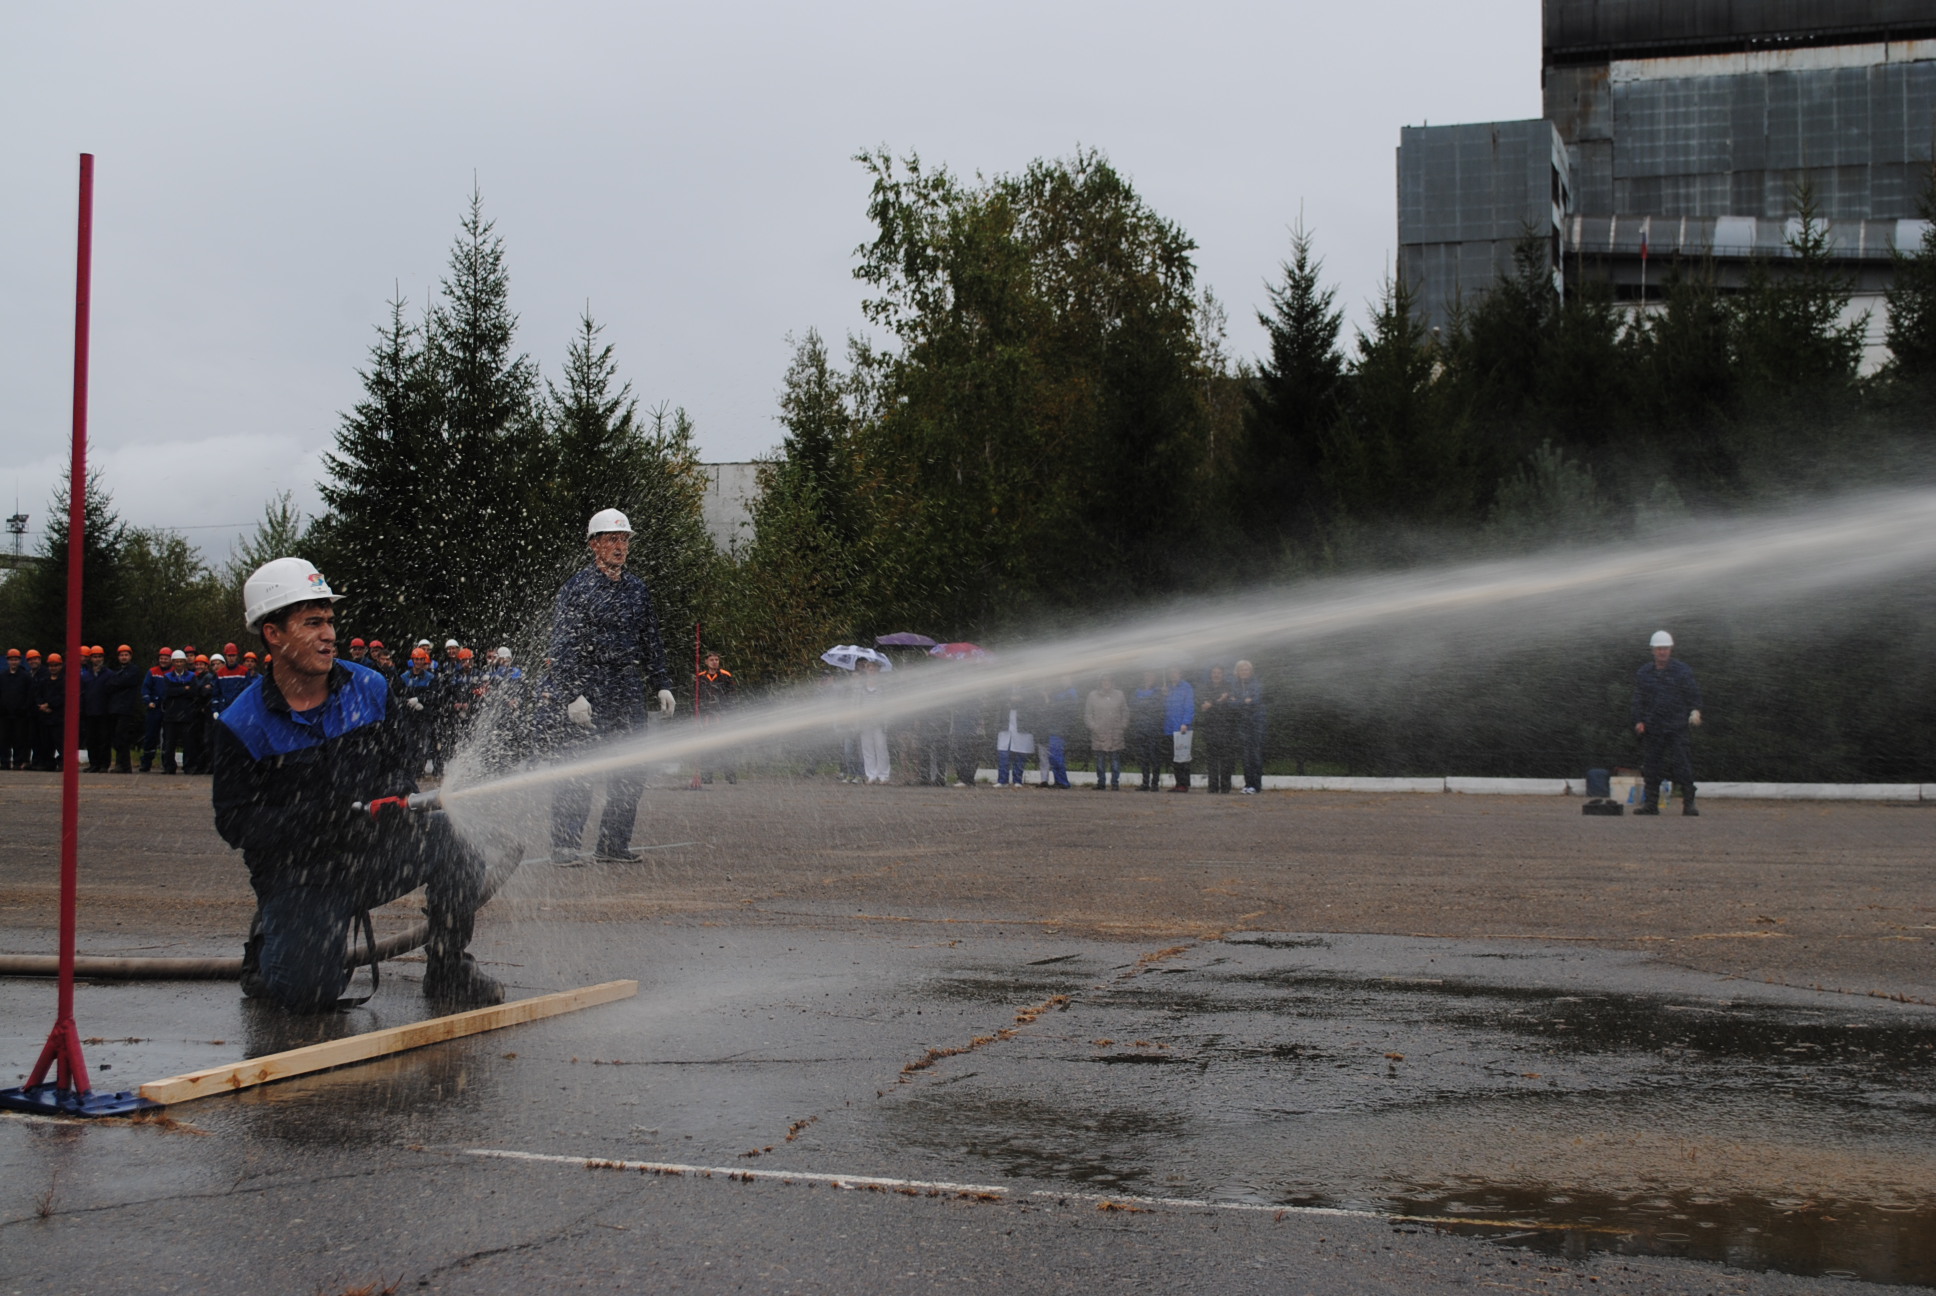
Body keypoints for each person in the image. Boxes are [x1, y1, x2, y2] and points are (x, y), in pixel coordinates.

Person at [213, 556, 500, 1012]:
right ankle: (272, 939)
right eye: (312, 623)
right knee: (306, 994)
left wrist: (392, 799)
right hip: (303, 873)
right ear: (273, 634)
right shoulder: (243, 723)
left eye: (329, 620)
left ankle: (449, 969)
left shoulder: (370, 687)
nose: (329, 633)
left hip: (374, 851)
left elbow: (400, 759)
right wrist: (317, 821)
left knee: (455, 837)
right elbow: (235, 820)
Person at [545, 508, 676, 863]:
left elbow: (651, 640)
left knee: (631, 769)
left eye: (624, 540)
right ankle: (565, 844)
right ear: (594, 545)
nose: (620, 546)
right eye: (612, 540)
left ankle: (612, 844)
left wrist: (661, 682)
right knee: (579, 767)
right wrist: (573, 694)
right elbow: (563, 646)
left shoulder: (637, 589)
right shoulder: (578, 589)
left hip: (627, 686)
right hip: (590, 684)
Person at [1632, 630, 1703, 816]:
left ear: (1670, 649)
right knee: (1651, 766)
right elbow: (1639, 699)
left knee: (1683, 765)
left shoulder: (1682, 671)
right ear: (1653, 650)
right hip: (1653, 726)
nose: (1662, 652)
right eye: (1658, 649)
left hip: (1677, 726)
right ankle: (1651, 805)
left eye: (1665, 648)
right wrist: (1638, 720)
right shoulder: (1644, 673)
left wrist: (1695, 710)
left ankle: (1689, 804)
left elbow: (1693, 693)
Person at [695, 650, 737, 784]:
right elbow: (696, 697)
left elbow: (731, 696)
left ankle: (730, 776)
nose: (715, 662)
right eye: (712, 660)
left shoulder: (726, 676)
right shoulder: (700, 677)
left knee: (725, 746)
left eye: (717, 660)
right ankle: (707, 776)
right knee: (707, 747)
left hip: (722, 716)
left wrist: (726, 712)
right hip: (707, 716)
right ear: (706, 662)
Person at [104, 645, 145, 774]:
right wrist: (117, 683)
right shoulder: (116, 671)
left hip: (127, 709)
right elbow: (109, 685)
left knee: (123, 737)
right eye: (121, 655)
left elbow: (122, 682)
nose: (124, 657)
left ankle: (124, 765)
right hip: (115, 708)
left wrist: (117, 683)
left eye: (126, 655)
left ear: (130, 656)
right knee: (116, 737)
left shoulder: (134, 670)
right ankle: (120, 764)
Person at [1199, 665, 1238, 794]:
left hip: (1226, 727)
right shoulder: (1206, 687)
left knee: (1226, 759)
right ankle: (1213, 786)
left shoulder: (1229, 686)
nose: (1216, 675)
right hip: (1210, 727)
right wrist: (1219, 701)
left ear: (1222, 674)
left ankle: (1226, 786)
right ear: (1211, 674)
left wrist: (1214, 704)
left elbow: (1231, 704)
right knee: (1212, 759)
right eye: (1214, 672)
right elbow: (1203, 706)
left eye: (1218, 672)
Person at [1084, 675, 1127, 791]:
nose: (1106, 683)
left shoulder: (1119, 695)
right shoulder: (1092, 696)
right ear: (1100, 682)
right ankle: (1101, 783)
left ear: (1112, 682)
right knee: (1100, 760)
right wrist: (1094, 727)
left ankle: (1115, 783)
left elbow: (1125, 713)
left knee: (1115, 760)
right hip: (1099, 734)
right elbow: (1088, 714)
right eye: (1104, 681)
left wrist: (1122, 726)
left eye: (1108, 681)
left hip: (1115, 733)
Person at [1233, 659, 1266, 794]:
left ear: (1250, 671)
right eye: (1241, 670)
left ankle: (1256, 785)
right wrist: (1245, 701)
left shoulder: (1256, 683)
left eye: (1246, 670)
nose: (1244, 672)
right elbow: (1232, 704)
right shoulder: (1235, 685)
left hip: (1257, 722)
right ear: (1237, 672)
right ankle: (1248, 784)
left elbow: (1256, 700)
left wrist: (1240, 701)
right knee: (1246, 756)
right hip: (1243, 723)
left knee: (1255, 754)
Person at [1129, 670, 1166, 791]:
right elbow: (1133, 707)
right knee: (1143, 757)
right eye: (1147, 675)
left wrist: (1144, 706)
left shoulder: (1159, 692)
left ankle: (1154, 783)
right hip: (1140, 729)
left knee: (1154, 757)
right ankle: (1145, 783)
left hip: (1154, 729)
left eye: (1151, 676)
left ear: (1155, 678)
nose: (1148, 678)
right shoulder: (1137, 692)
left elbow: (1157, 708)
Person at [1039, 678, 1078, 788]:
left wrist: (1047, 700)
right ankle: (1059, 780)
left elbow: (1059, 709)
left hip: (1060, 730)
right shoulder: (1061, 693)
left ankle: (1063, 782)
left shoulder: (1071, 693)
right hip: (1055, 729)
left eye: (1067, 678)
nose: (1064, 681)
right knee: (1053, 757)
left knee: (1057, 756)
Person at [856, 657, 890, 784]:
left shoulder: (883, 685)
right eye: (869, 667)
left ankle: (884, 775)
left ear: (878, 669)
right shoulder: (860, 686)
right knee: (867, 748)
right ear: (866, 670)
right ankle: (871, 774)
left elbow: (887, 703)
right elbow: (857, 704)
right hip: (865, 722)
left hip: (879, 721)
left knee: (881, 747)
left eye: (874, 668)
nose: (871, 670)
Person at [81, 647, 113, 773]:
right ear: (90, 658)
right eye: (95, 656)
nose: (97, 659)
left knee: (104, 739)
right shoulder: (86, 675)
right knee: (91, 739)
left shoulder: (109, 674)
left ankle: (104, 764)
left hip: (104, 712)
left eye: (99, 656)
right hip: (89, 712)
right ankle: (93, 763)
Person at [31, 652, 66, 771]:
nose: (53, 668)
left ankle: (63, 763)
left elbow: (63, 696)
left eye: (56, 665)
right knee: (46, 742)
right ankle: (48, 763)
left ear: (61, 666)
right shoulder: (44, 680)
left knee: (60, 742)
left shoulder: (64, 681)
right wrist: (41, 705)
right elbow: (37, 694)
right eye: (51, 665)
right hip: (45, 717)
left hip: (58, 716)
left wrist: (49, 705)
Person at [994, 685, 1034, 788]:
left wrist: (1020, 699)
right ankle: (1003, 780)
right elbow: (999, 699)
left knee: (1020, 755)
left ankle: (1018, 780)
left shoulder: (1028, 688)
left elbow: (1031, 701)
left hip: (1021, 726)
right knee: (1003, 754)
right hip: (1006, 725)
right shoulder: (1004, 688)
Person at [1164, 666, 1196, 792]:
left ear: (1180, 674)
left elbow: (1189, 705)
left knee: (1183, 756)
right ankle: (1178, 783)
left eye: (1176, 672)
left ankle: (1184, 784)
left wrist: (1186, 722)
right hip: (1169, 727)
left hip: (1182, 727)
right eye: (1171, 673)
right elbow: (1164, 708)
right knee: (1174, 757)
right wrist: (1164, 695)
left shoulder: (1186, 687)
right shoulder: (1167, 688)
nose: (1173, 675)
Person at [139, 647, 171, 772]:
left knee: (167, 737)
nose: (163, 660)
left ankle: (166, 763)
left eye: (166, 658)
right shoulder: (152, 672)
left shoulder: (173, 672)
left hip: (168, 709)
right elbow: (145, 688)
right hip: (154, 708)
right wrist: (149, 701)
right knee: (150, 736)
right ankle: (146, 762)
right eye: (161, 658)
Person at [1, 649, 32, 770]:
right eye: (11, 659)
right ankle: (4, 762)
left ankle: (18, 761)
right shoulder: (2, 676)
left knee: (19, 739)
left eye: (16, 659)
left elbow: (29, 694)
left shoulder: (25, 677)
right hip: (4, 714)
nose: (14, 662)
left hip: (20, 714)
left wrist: (24, 708)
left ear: (20, 661)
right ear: (7, 661)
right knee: (4, 739)